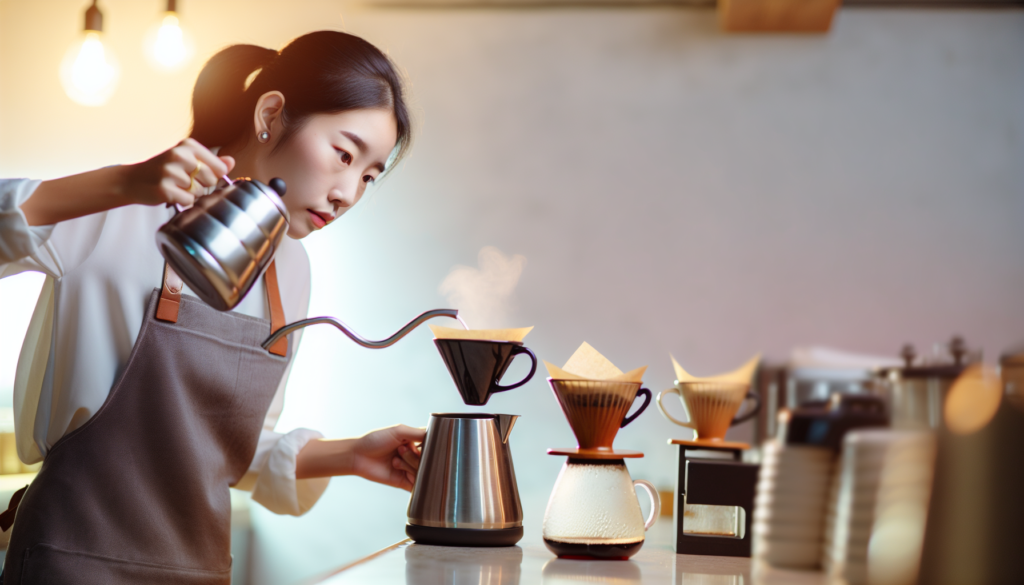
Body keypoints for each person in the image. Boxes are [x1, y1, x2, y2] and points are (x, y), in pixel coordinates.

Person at [0, 30, 425, 583]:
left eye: (369, 175)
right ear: (271, 112)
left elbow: (227, 451)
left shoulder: (291, 272)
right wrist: (125, 183)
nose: (348, 192)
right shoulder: (123, 208)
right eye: (344, 153)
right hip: (71, 563)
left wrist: (351, 456)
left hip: (197, 569)